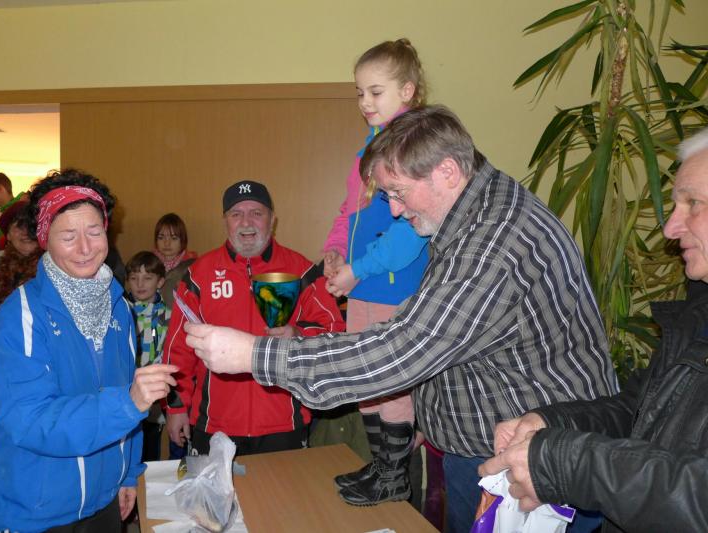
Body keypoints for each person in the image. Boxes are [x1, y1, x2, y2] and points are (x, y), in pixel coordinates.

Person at [184, 106, 619, 533]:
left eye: (398, 192)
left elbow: (402, 348)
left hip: (535, 470)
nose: (393, 210)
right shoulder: (469, 216)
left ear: (447, 172)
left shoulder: (495, 243)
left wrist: (255, 354)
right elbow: (451, 337)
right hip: (494, 453)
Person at [477, 128, 708, 532]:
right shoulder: (698, 312)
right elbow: (640, 413)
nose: (670, 228)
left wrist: (567, 463)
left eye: (693, 204)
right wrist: (552, 423)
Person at [0, 169, 178, 532]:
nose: (86, 248)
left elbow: (126, 396)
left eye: (94, 231)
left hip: (105, 499)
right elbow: (30, 420)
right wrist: (128, 403)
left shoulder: (119, 308)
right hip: (38, 509)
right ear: (46, 240)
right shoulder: (20, 317)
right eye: (69, 236)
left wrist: (127, 473)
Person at [318, 37, 431, 507]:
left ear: (407, 91)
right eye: (360, 92)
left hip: (392, 284)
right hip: (362, 283)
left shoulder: (413, 147)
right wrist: (333, 251)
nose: (365, 102)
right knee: (363, 378)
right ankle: (381, 466)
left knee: (390, 381)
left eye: (376, 92)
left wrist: (358, 269)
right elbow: (350, 211)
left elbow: (411, 232)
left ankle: (395, 475)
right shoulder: (369, 147)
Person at [163, 180, 344, 457]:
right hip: (214, 424)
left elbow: (334, 333)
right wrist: (175, 408)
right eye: (236, 214)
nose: (246, 223)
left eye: (256, 213)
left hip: (284, 423)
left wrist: (298, 335)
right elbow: (178, 349)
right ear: (225, 221)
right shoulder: (198, 276)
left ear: (272, 220)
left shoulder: (302, 271)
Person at [126, 251, 171, 462]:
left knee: (150, 452)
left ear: (160, 281)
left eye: (147, 278)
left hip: (154, 396)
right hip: (126, 393)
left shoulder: (168, 317)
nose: (140, 284)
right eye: (134, 278)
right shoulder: (121, 312)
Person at [153, 212, 198, 309]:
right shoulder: (148, 264)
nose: (166, 243)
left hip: (180, 316)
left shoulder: (193, 267)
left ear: (182, 240)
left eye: (173, 238)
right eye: (161, 237)